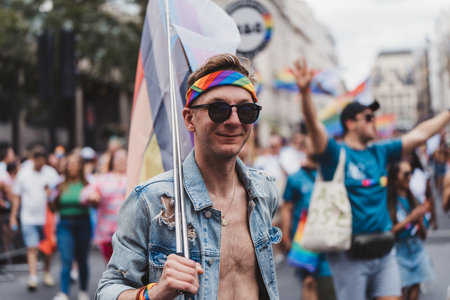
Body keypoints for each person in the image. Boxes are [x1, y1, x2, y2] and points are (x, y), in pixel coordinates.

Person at [96, 53, 281, 300]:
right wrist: (154, 293)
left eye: (246, 110)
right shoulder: (150, 200)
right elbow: (108, 290)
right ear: (189, 119)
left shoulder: (264, 191)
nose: (234, 120)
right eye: (218, 109)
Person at [292, 58, 450, 300]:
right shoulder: (336, 153)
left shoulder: (380, 151)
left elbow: (419, 134)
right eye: (368, 117)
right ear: (350, 123)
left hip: (385, 251)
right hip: (349, 254)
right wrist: (304, 93)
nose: (374, 121)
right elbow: (314, 127)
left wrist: (448, 113)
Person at [280, 135, 336, 300]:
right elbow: (287, 208)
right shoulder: (295, 177)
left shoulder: (331, 173)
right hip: (304, 240)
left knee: (328, 285)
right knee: (308, 282)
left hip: (330, 239)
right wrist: (286, 236)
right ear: (304, 149)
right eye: (312, 143)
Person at [11, 147, 60, 290]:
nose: (39, 162)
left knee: (47, 248)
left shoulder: (50, 173)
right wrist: (14, 216)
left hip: (47, 218)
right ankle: (33, 276)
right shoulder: (24, 173)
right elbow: (17, 196)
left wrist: (51, 194)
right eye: (36, 159)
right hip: (29, 217)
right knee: (31, 247)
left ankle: (46, 272)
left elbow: (57, 195)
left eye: (42, 159)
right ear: (33, 159)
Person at [387, 160, 434, 300]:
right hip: (398, 251)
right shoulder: (389, 202)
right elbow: (388, 232)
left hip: (416, 247)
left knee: (415, 287)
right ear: (395, 177)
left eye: (411, 173)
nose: (410, 177)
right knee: (398, 291)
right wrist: (409, 219)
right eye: (406, 174)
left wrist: (420, 219)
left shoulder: (415, 199)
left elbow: (423, 235)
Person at [51, 153, 91, 300]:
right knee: (66, 258)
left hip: (83, 223)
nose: (73, 167)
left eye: (76, 164)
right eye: (70, 164)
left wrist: (93, 198)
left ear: (80, 167)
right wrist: (50, 196)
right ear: (66, 167)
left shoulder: (87, 183)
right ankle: (64, 292)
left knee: (82, 259)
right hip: (65, 224)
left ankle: (83, 290)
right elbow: (52, 207)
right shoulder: (60, 184)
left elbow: (96, 203)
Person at [82, 148, 127, 263]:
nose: (121, 161)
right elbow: (84, 194)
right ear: (112, 161)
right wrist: (93, 195)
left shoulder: (135, 177)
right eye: (118, 158)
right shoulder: (103, 179)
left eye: (124, 158)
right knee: (110, 265)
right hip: (107, 230)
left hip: (128, 230)